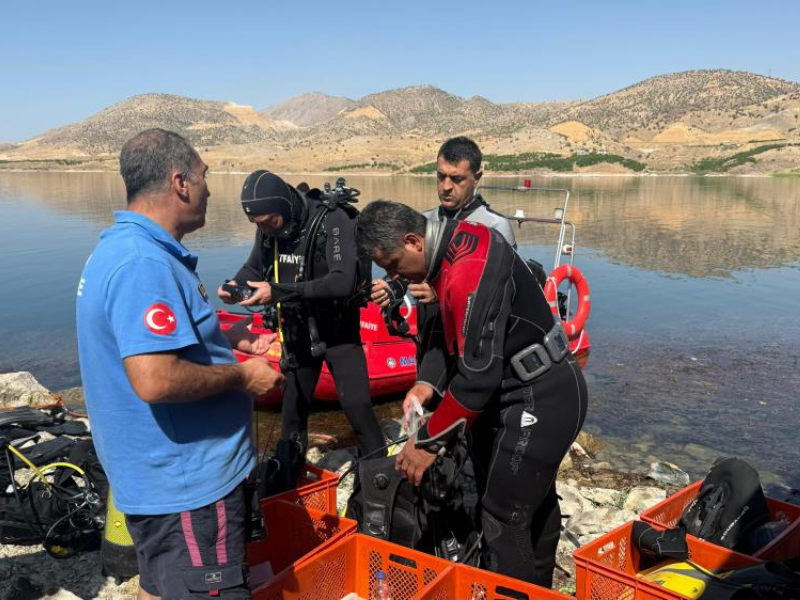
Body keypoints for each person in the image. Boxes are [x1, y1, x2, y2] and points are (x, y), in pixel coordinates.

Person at [76, 129, 284, 600]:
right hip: (187, 487)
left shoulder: (123, 248)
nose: (210, 187)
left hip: (161, 481)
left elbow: (144, 340)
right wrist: (244, 375)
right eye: (205, 175)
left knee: (162, 587)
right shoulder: (141, 265)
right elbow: (154, 379)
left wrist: (226, 335)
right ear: (181, 183)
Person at [356, 200, 588, 587]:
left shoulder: (467, 270)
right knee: (534, 501)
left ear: (414, 240)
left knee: (501, 516)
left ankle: (513, 592)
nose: (394, 276)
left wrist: (425, 443)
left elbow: (477, 379)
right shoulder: (451, 246)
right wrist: (427, 382)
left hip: (542, 395)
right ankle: (540, 589)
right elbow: (447, 333)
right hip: (522, 389)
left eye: (394, 264)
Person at [218, 171, 386, 467]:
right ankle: (289, 485)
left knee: (357, 408)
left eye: (270, 221)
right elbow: (254, 268)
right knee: (292, 416)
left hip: (338, 332)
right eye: (258, 224)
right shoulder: (267, 227)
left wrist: (278, 292)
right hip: (296, 332)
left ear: (284, 207)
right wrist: (234, 286)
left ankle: (382, 481)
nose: (266, 229)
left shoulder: (331, 221)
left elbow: (342, 281)